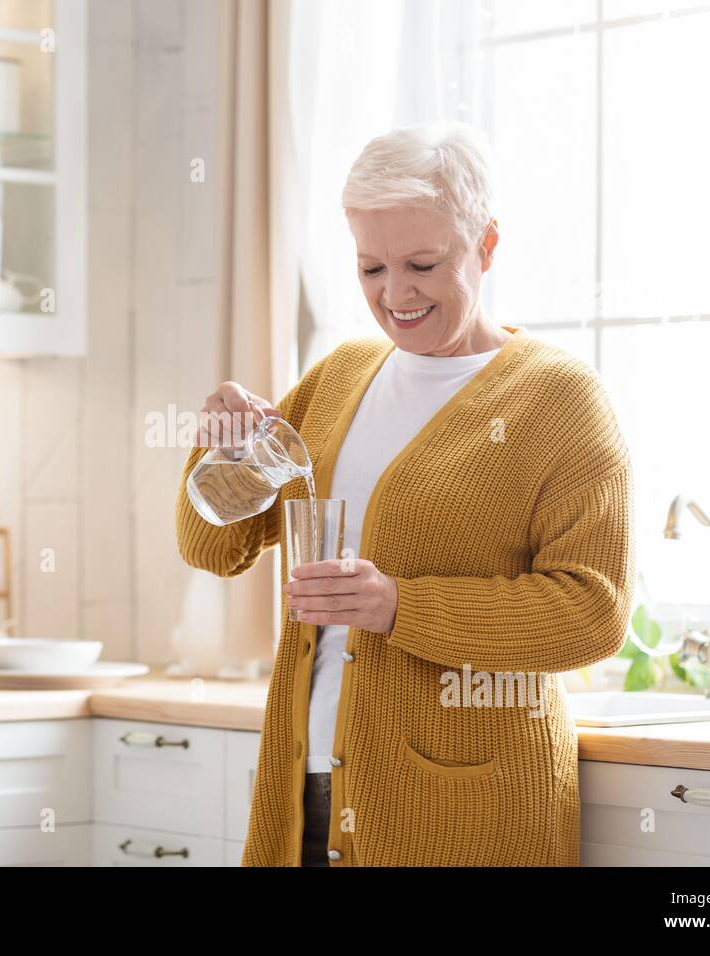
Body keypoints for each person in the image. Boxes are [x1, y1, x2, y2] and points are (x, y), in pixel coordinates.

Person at [175, 121, 634, 866]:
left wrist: (399, 606)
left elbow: (593, 613)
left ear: (485, 245)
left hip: (468, 808)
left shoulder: (559, 399)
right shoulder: (340, 377)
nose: (396, 294)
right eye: (370, 269)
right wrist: (220, 445)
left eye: (423, 263)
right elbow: (213, 548)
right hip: (307, 786)